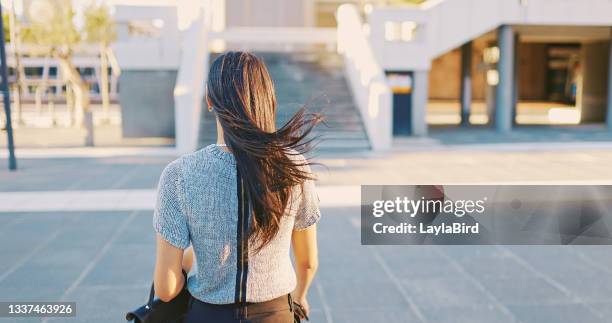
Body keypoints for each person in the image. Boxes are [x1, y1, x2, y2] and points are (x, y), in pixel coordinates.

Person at [152, 51, 322, 323]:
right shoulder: (294, 167)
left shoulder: (179, 175)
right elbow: (308, 262)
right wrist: (300, 298)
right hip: (276, 314)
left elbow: (166, 289)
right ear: (268, 98)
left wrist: (192, 257)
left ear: (210, 101)